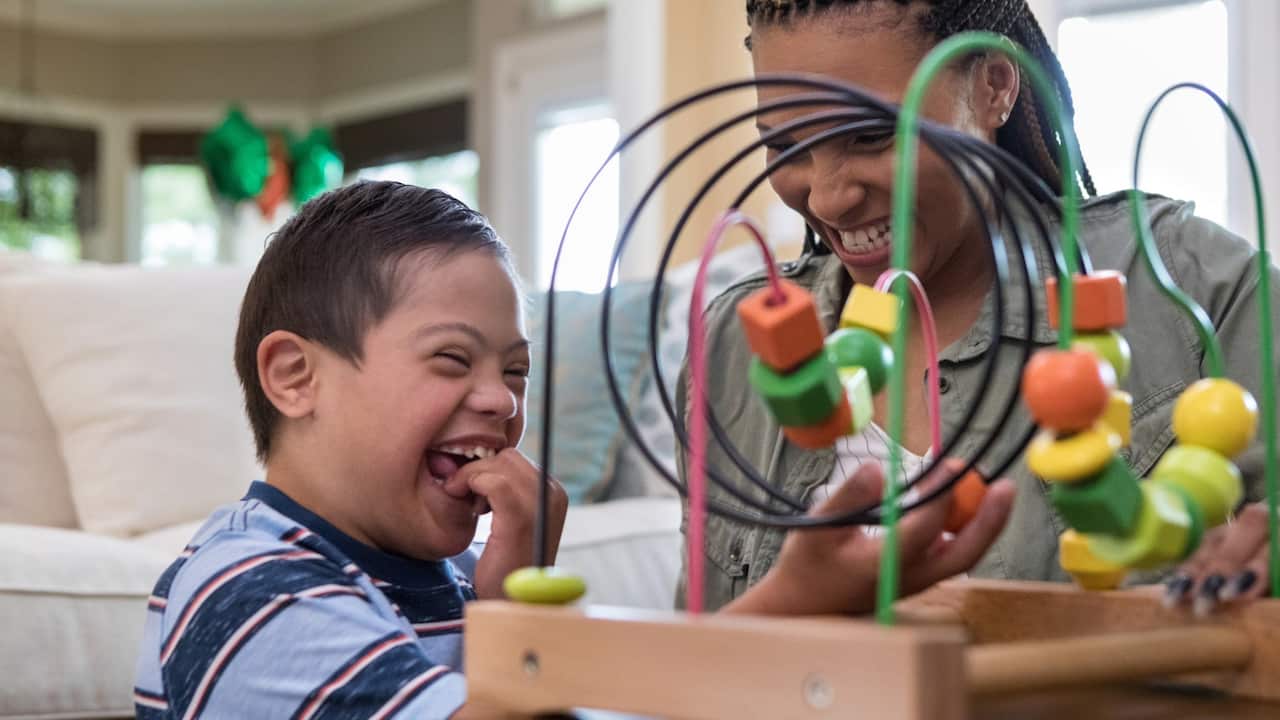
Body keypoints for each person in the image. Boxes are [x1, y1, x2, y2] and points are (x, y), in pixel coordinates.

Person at [133, 181, 1012, 719]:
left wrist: (508, 610)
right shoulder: (248, 586)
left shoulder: (460, 579)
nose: (500, 399)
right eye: (452, 360)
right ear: (295, 378)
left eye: (516, 371)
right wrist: (790, 601)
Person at [677, 0, 1279, 615]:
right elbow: (686, 675)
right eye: (786, 145)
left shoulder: (1197, 286)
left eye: (872, 134)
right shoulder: (728, 344)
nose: (830, 198)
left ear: (993, 85)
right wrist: (788, 606)